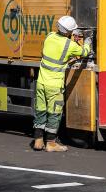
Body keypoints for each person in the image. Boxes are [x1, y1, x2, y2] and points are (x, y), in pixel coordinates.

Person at [32, 15, 89, 152]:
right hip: (54, 85)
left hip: (41, 82)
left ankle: (38, 141)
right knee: (54, 113)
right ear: (69, 32)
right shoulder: (70, 45)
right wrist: (87, 41)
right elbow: (84, 52)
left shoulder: (49, 36)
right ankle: (51, 143)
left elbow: (46, 53)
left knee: (40, 110)